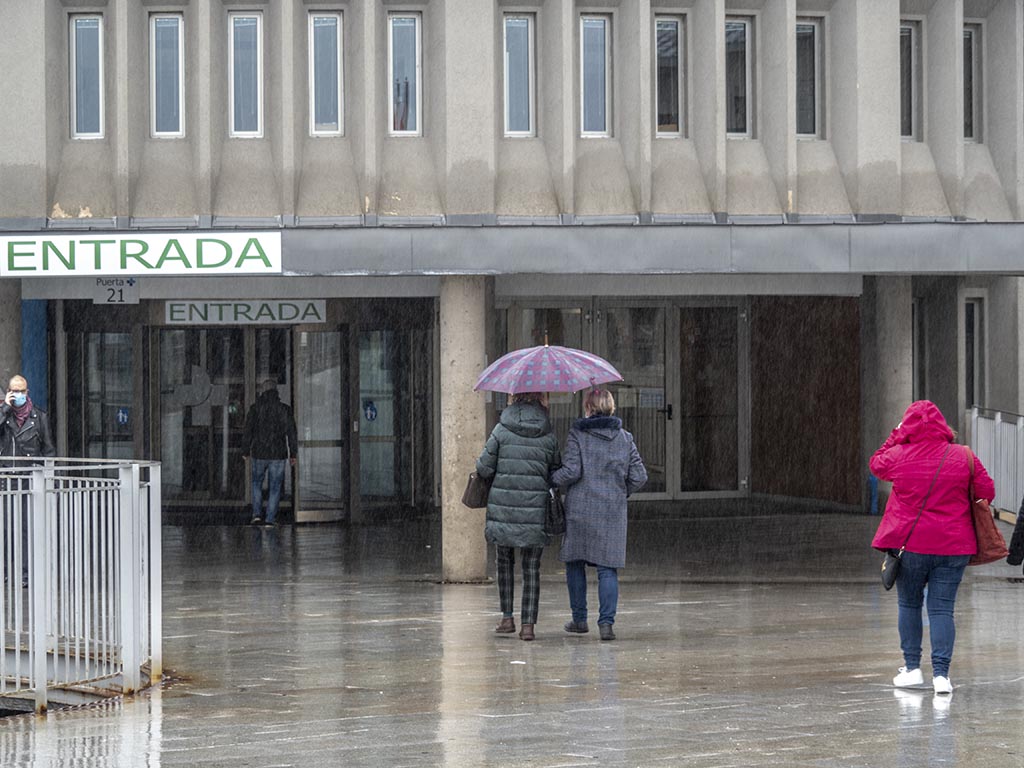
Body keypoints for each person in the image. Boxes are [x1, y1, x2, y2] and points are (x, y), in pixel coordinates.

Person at [870, 400, 994, 695]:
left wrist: (896, 434)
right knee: (941, 609)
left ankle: (912, 668)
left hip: (910, 545)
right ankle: (942, 675)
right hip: (954, 546)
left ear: (907, 427)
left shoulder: (899, 455)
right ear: (943, 426)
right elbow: (987, 491)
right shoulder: (963, 456)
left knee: (909, 604)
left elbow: (876, 462)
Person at [551, 389, 647, 641]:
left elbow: (571, 472)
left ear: (589, 409)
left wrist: (551, 479)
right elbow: (639, 476)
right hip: (611, 511)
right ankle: (606, 624)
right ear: (611, 408)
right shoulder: (625, 438)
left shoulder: (578, 435)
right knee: (607, 568)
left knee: (575, 562)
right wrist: (618, 491)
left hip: (581, 509)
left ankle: (580, 619)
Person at [475, 391, 560, 641]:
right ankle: (528, 626)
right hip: (535, 510)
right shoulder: (548, 434)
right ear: (541, 400)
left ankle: (507, 617)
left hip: (504, 509)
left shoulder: (501, 430)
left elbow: (483, 467)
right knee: (531, 568)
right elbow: (555, 469)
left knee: (504, 563)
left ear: (515, 398)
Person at [0, 374, 56, 587]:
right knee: (4, 529)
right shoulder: (4, 416)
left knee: (26, 528)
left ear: (28, 392)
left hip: (28, 480)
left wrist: (47, 478)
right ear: (8, 393)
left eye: (22, 391)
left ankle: (25, 574)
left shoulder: (39, 416)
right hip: (5, 478)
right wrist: (5, 408)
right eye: (14, 391)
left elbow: (48, 450)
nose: (18, 395)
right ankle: (4, 572)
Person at [241, 379, 297, 527]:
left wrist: (245, 450)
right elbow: (291, 432)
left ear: (262, 391)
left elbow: (248, 431)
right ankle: (270, 519)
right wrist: (293, 454)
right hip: (278, 454)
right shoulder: (284, 409)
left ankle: (257, 515)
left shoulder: (255, 408)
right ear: (276, 391)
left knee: (256, 483)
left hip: (259, 453)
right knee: (275, 486)